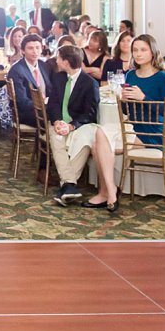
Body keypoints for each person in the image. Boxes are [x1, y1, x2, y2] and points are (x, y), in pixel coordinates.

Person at [45, 45, 118, 211]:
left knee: (86, 139)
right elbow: (53, 103)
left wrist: (71, 126)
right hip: (59, 123)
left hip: (78, 124)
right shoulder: (58, 78)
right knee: (56, 138)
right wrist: (57, 121)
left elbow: (90, 113)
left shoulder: (89, 83)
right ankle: (70, 184)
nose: (56, 61)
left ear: (66, 62)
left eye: (58, 58)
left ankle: (68, 185)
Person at [120, 34, 165, 155]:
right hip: (131, 130)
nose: (138, 54)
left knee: (107, 145)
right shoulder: (130, 75)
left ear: (153, 52)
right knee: (99, 140)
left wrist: (143, 98)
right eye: (135, 50)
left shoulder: (163, 77)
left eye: (143, 50)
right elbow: (126, 111)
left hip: (152, 133)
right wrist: (124, 101)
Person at [8, 34, 53, 129]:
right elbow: (21, 101)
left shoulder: (44, 66)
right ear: (22, 51)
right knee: (56, 118)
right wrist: (43, 103)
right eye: (30, 48)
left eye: (37, 48)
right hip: (27, 112)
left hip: (45, 108)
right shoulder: (17, 70)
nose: (35, 51)